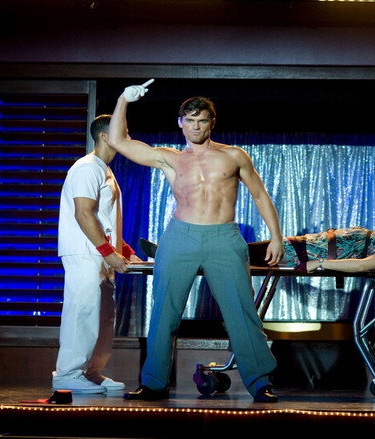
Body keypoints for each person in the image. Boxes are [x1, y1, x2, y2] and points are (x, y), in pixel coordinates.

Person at [108, 80, 284, 403]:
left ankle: (260, 382)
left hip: (224, 238)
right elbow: (119, 141)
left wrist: (276, 236)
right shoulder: (170, 158)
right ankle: (153, 384)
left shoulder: (234, 156)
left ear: (211, 123)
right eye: (190, 120)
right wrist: (123, 99)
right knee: (164, 312)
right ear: (180, 123)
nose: (195, 126)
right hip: (180, 236)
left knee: (241, 311)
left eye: (202, 120)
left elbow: (260, 194)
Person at [53, 114, 140, 394]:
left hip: (100, 254)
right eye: (122, 133)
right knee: (83, 310)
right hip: (84, 252)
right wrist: (107, 252)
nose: (127, 138)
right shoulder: (87, 168)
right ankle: (68, 374)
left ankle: (90, 372)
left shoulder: (105, 170)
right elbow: (83, 213)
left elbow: (104, 220)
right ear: (105, 136)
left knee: (103, 315)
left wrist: (125, 251)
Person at [141, 226, 375, 272]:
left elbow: (362, 265)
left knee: (232, 251)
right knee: (233, 253)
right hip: (303, 245)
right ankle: (175, 258)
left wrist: (318, 264)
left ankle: (172, 257)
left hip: (304, 254)